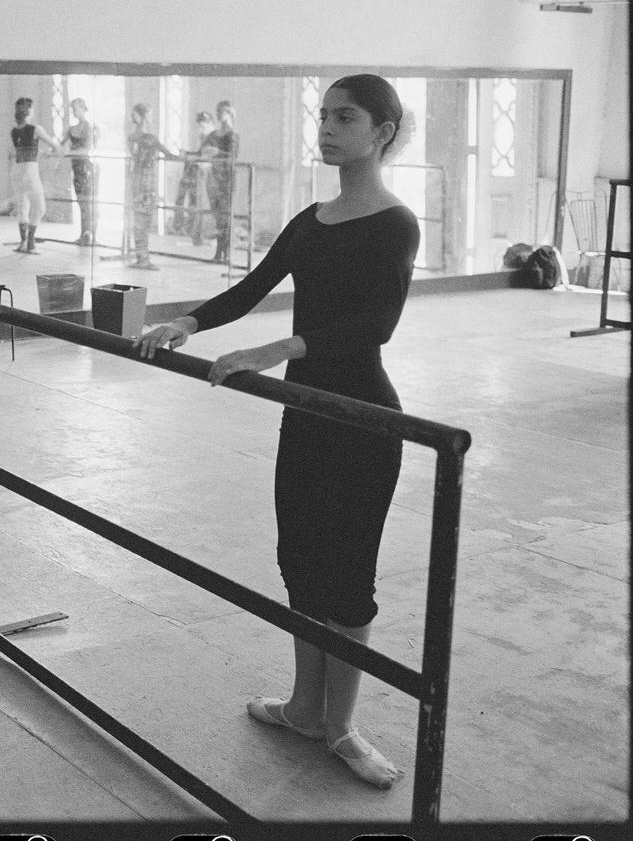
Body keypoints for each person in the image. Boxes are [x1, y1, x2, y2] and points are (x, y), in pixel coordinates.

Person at [136, 74, 419, 790]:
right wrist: (187, 322)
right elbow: (252, 286)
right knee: (299, 558)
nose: (326, 129)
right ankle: (302, 707)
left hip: (361, 417)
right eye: (322, 116)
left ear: (381, 131)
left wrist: (273, 353)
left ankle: (343, 727)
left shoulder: (394, 223)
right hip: (307, 415)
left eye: (344, 118)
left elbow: (372, 327)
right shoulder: (310, 219)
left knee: (347, 576)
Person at [126, 102, 178, 270]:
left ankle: (141, 256)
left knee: (139, 220)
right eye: (149, 114)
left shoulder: (132, 137)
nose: (152, 118)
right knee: (144, 220)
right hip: (146, 182)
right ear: (144, 117)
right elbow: (169, 155)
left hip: (136, 181)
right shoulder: (150, 138)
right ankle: (143, 258)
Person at [8, 96, 64, 254]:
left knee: (22, 208)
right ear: (28, 111)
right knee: (40, 208)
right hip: (30, 171)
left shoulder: (14, 131)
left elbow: (22, 150)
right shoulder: (36, 129)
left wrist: (40, 152)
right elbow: (54, 145)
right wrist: (57, 151)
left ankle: (23, 243)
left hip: (17, 170)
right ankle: (31, 243)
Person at [171, 109, 217, 243]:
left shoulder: (213, 137)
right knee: (191, 201)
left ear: (210, 124)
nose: (201, 129)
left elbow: (207, 156)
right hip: (196, 170)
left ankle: (198, 235)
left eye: (203, 126)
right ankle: (191, 232)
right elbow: (200, 153)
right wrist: (188, 154)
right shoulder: (205, 136)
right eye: (200, 126)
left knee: (198, 203)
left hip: (204, 172)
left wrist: (191, 156)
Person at [61, 97, 100, 246]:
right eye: (72, 109)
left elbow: (88, 149)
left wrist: (70, 152)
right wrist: (49, 151)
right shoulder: (72, 129)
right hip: (76, 168)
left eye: (76, 108)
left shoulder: (90, 128)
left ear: (84, 109)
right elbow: (60, 144)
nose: (74, 112)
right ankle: (84, 234)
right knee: (81, 203)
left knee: (90, 203)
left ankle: (92, 235)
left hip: (87, 167)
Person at [207, 100, 241, 264]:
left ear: (228, 113)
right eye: (217, 111)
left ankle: (225, 253)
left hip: (227, 180)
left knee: (225, 218)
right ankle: (219, 253)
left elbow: (233, 156)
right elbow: (203, 149)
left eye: (221, 111)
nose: (218, 114)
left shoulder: (232, 134)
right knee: (218, 217)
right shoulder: (214, 134)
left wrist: (217, 152)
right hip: (215, 179)